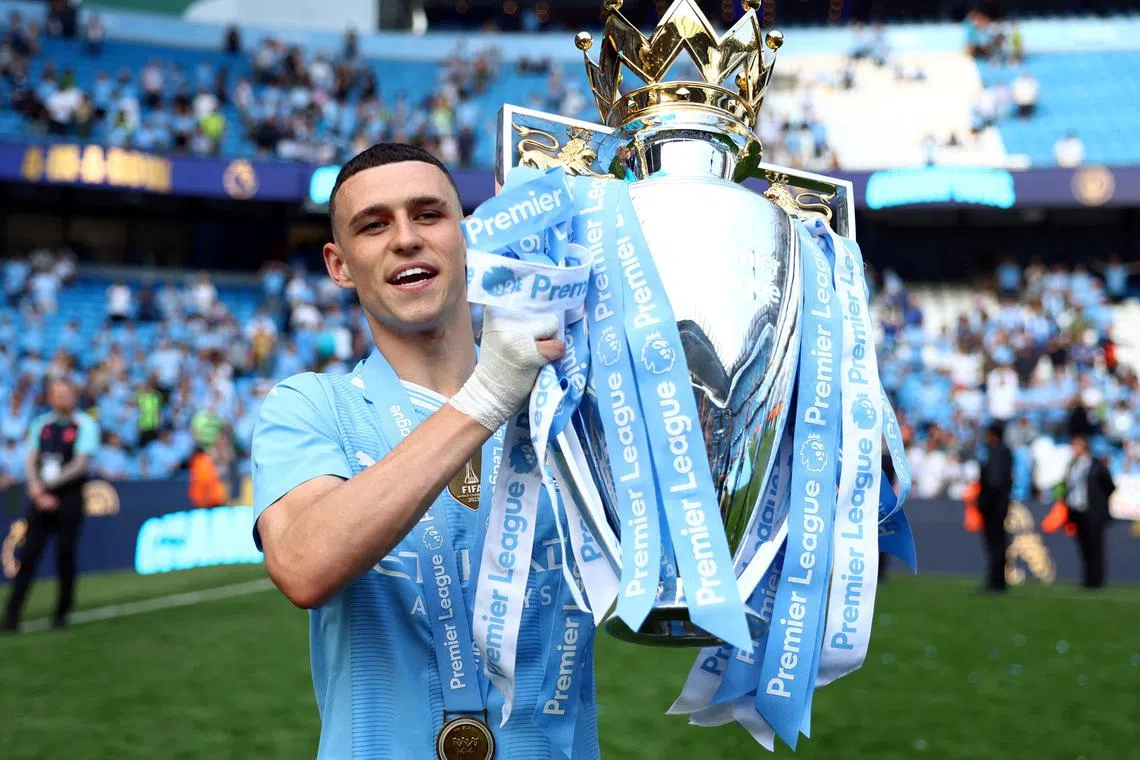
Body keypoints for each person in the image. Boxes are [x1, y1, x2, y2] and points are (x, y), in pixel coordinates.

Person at [251, 143, 598, 759]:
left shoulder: (564, 404)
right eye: (374, 224)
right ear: (339, 265)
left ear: (469, 237)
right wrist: (488, 396)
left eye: (429, 214)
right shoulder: (308, 406)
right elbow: (303, 566)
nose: (406, 238)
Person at [2, 378, 100, 632]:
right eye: (57, 395)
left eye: (66, 394)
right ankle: (12, 615)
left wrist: (47, 486)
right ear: (50, 398)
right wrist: (36, 489)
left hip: (69, 497)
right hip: (39, 498)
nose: (61, 399)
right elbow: (31, 459)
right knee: (29, 555)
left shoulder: (85, 425)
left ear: (73, 396)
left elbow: (80, 464)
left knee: (65, 555)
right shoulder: (41, 425)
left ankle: (61, 613)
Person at [1063, 434, 1115, 589]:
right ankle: (1087, 579)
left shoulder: (1095, 465)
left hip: (1093, 512)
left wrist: (1098, 502)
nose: (1073, 449)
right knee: (1084, 546)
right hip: (1077, 511)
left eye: (1076, 446)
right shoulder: (1073, 465)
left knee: (1095, 547)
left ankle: (1097, 580)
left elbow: (1109, 486)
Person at [977, 421, 1013, 593]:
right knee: (998, 544)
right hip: (999, 505)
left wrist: (983, 501)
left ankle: (996, 582)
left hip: (994, 507)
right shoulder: (1005, 452)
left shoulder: (997, 452)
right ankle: (998, 581)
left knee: (995, 545)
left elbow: (994, 481)